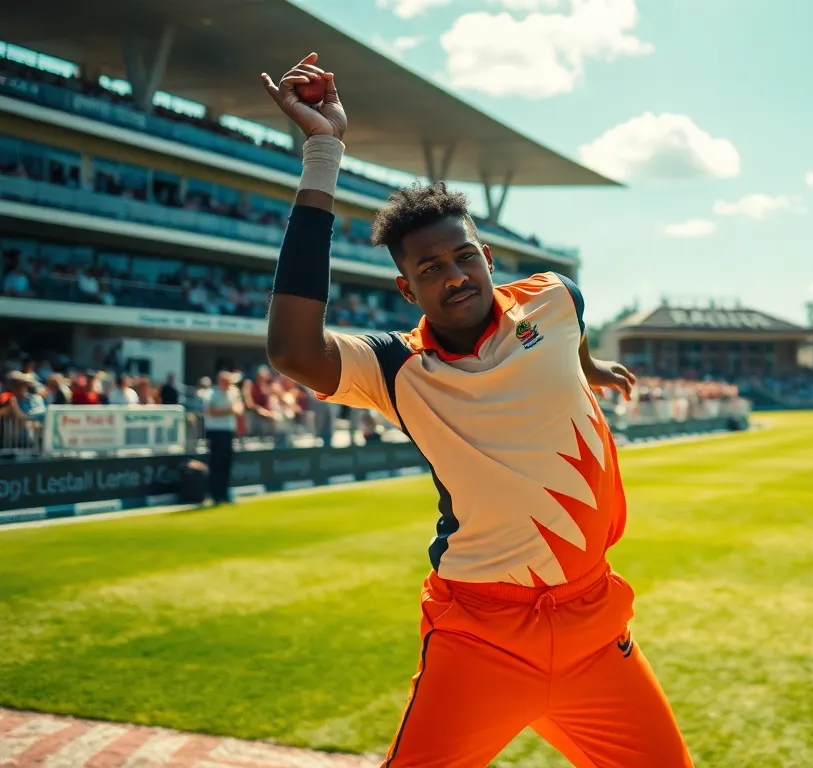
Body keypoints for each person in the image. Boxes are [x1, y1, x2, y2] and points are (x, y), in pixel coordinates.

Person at [260, 54, 693, 768]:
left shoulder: (554, 298)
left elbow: (572, 325)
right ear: (408, 290)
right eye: (430, 270)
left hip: (594, 633)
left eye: (463, 257)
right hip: (480, 640)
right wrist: (323, 152)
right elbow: (292, 349)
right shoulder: (398, 368)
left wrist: (587, 366)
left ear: (487, 253)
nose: (454, 276)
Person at [202, 370, 242, 505]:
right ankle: (214, 494)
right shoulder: (211, 394)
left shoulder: (233, 393)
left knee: (226, 463)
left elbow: (239, 409)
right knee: (216, 463)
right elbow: (211, 412)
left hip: (228, 431)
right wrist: (228, 410)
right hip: (215, 431)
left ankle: (224, 494)